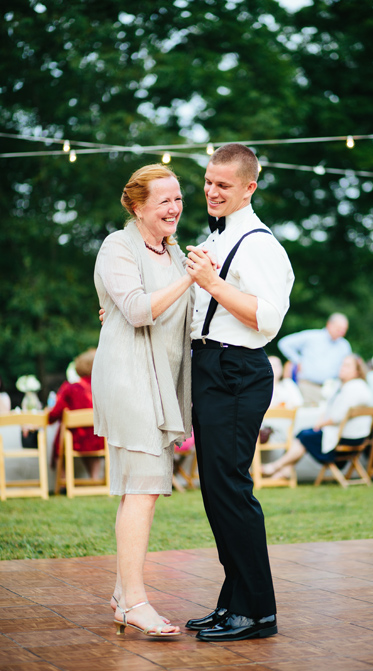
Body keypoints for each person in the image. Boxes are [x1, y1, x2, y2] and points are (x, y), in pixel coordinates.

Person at [184, 143, 294, 642]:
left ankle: (258, 611)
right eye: (208, 182)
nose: (211, 191)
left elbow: (267, 319)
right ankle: (233, 602)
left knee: (231, 491)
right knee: (216, 492)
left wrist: (209, 281)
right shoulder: (219, 236)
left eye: (223, 185)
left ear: (250, 187)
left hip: (237, 368)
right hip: (210, 365)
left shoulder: (260, 244)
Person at [93, 163, 194, 638]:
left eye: (177, 198)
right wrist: (194, 279)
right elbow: (134, 310)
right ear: (137, 206)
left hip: (161, 379)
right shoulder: (118, 245)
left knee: (142, 486)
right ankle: (135, 601)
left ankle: (121, 596)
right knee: (145, 488)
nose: (174, 208)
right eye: (164, 201)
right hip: (129, 377)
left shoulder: (172, 252)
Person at [261, 354, 373, 478]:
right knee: (304, 435)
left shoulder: (353, 388)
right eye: (342, 365)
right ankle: (282, 471)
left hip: (346, 438)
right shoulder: (354, 386)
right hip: (356, 436)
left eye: (346, 366)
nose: (342, 368)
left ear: (357, 371)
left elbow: (336, 417)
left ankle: (276, 467)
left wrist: (320, 424)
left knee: (304, 436)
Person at [48, 348, 105, 481]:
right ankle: (94, 478)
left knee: (60, 438)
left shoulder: (70, 388)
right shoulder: (103, 386)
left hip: (76, 440)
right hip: (100, 439)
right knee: (92, 436)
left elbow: (55, 413)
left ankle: (62, 481)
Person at [276, 314, 351, 403]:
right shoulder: (312, 337)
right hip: (308, 386)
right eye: (339, 328)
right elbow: (284, 343)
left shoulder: (344, 345)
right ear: (329, 324)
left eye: (344, 329)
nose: (341, 332)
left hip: (331, 389)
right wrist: (297, 361)